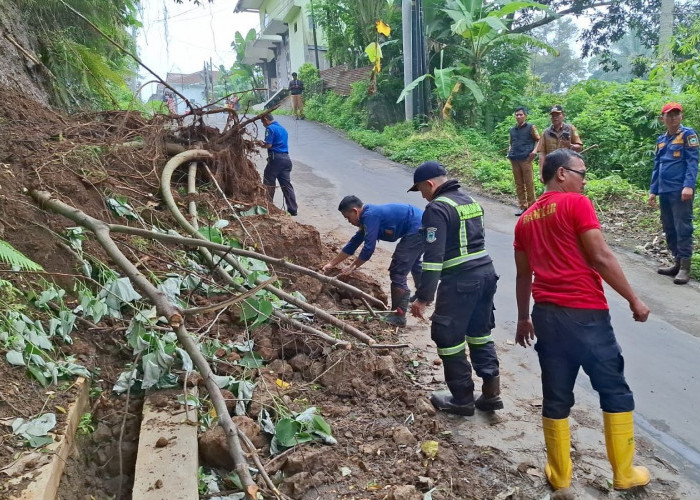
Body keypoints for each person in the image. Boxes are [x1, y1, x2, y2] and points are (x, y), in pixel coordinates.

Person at [513, 148, 650, 493]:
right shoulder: (576, 203)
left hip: (545, 316)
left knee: (556, 394)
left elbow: (522, 275)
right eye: (581, 173)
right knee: (613, 388)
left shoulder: (523, 220)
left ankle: (559, 475)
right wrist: (634, 299)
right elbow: (601, 257)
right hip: (585, 314)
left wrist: (522, 318)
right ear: (561, 173)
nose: (584, 180)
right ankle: (623, 473)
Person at [408, 161, 502, 416]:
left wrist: (423, 297)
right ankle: (491, 394)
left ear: (430, 184)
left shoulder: (436, 209)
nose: (423, 196)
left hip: (461, 281)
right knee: (480, 333)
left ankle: (462, 399)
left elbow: (433, 256)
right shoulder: (470, 201)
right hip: (486, 275)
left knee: (447, 337)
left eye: (421, 190)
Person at [322, 197, 424, 326]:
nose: (348, 221)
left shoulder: (370, 216)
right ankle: (423, 295)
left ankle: (399, 316)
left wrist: (352, 267)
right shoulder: (366, 217)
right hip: (420, 225)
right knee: (413, 262)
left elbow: (368, 248)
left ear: (355, 211)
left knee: (398, 271)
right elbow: (353, 243)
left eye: (348, 217)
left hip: (418, 227)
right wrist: (331, 264)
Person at [649, 102, 698, 285]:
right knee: (669, 227)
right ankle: (677, 262)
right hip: (664, 190)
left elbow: (693, 162)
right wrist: (653, 190)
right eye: (669, 115)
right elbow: (657, 166)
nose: (673, 118)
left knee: (682, 227)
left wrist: (689, 186)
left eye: (676, 114)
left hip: (680, 191)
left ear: (681, 117)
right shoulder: (662, 140)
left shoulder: (688, 135)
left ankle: (685, 267)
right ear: (663, 119)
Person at [260, 114, 298, 216]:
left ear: (266, 119)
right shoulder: (282, 129)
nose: (263, 125)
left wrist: (260, 144)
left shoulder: (270, 128)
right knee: (286, 185)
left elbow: (269, 145)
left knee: (269, 182)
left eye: (262, 122)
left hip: (276, 159)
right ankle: (293, 209)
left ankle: (268, 206)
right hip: (286, 159)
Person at [507, 107, 541, 216]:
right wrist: (509, 150)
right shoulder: (512, 129)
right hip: (514, 158)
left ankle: (532, 207)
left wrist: (534, 151)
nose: (518, 116)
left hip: (526, 158)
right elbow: (511, 142)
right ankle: (522, 206)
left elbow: (539, 140)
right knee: (518, 184)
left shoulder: (531, 127)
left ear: (525, 116)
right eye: (517, 115)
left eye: (520, 114)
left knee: (529, 183)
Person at [537, 105, 582, 180]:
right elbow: (542, 154)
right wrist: (541, 173)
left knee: (567, 190)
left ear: (563, 115)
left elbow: (580, 148)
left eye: (557, 114)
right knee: (553, 190)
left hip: (567, 167)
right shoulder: (546, 132)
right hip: (551, 167)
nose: (555, 117)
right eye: (552, 115)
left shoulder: (571, 129)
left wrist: (570, 146)